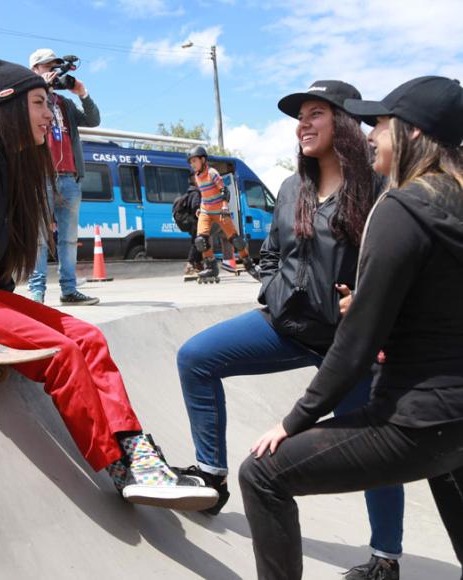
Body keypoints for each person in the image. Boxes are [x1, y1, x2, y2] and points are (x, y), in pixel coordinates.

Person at [0, 58, 217, 511]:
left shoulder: (16, 164)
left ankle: (138, 452)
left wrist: (4, 304)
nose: (50, 115)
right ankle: (117, 467)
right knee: (59, 352)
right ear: (7, 107)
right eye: (40, 104)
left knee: (87, 336)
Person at [175, 80, 406, 577]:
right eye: (300, 116)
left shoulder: (379, 190)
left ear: (343, 122)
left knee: (375, 449)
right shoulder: (290, 187)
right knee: (195, 357)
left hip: (348, 345)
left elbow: (397, 268)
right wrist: (273, 287)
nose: (303, 124)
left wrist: (369, 308)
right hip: (284, 325)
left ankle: (386, 558)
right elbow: (273, 254)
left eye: (316, 113)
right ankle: (211, 476)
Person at [239, 75, 463, 580]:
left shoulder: (400, 207)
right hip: (455, 420)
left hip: (417, 418)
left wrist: (295, 420)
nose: (370, 136)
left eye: (380, 124)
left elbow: (357, 343)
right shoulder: (452, 200)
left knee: (262, 474)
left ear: (413, 134)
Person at [27, 48, 100, 306]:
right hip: (41, 176)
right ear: (35, 70)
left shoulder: (65, 103)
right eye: (49, 67)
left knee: (69, 239)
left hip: (69, 178)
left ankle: (69, 290)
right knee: (38, 238)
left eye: (57, 67)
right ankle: (37, 293)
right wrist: (41, 90)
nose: (54, 72)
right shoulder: (29, 100)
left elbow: (93, 120)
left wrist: (82, 94)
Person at [188, 146, 259, 282]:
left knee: (235, 240)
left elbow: (224, 191)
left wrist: (225, 207)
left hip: (220, 210)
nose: (192, 165)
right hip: (205, 211)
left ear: (203, 160)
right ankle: (211, 267)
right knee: (200, 241)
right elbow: (204, 194)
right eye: (190, 162)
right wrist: (200, 208)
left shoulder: (212, 173)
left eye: (194, 161)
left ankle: (249, 265)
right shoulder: (197, 177)